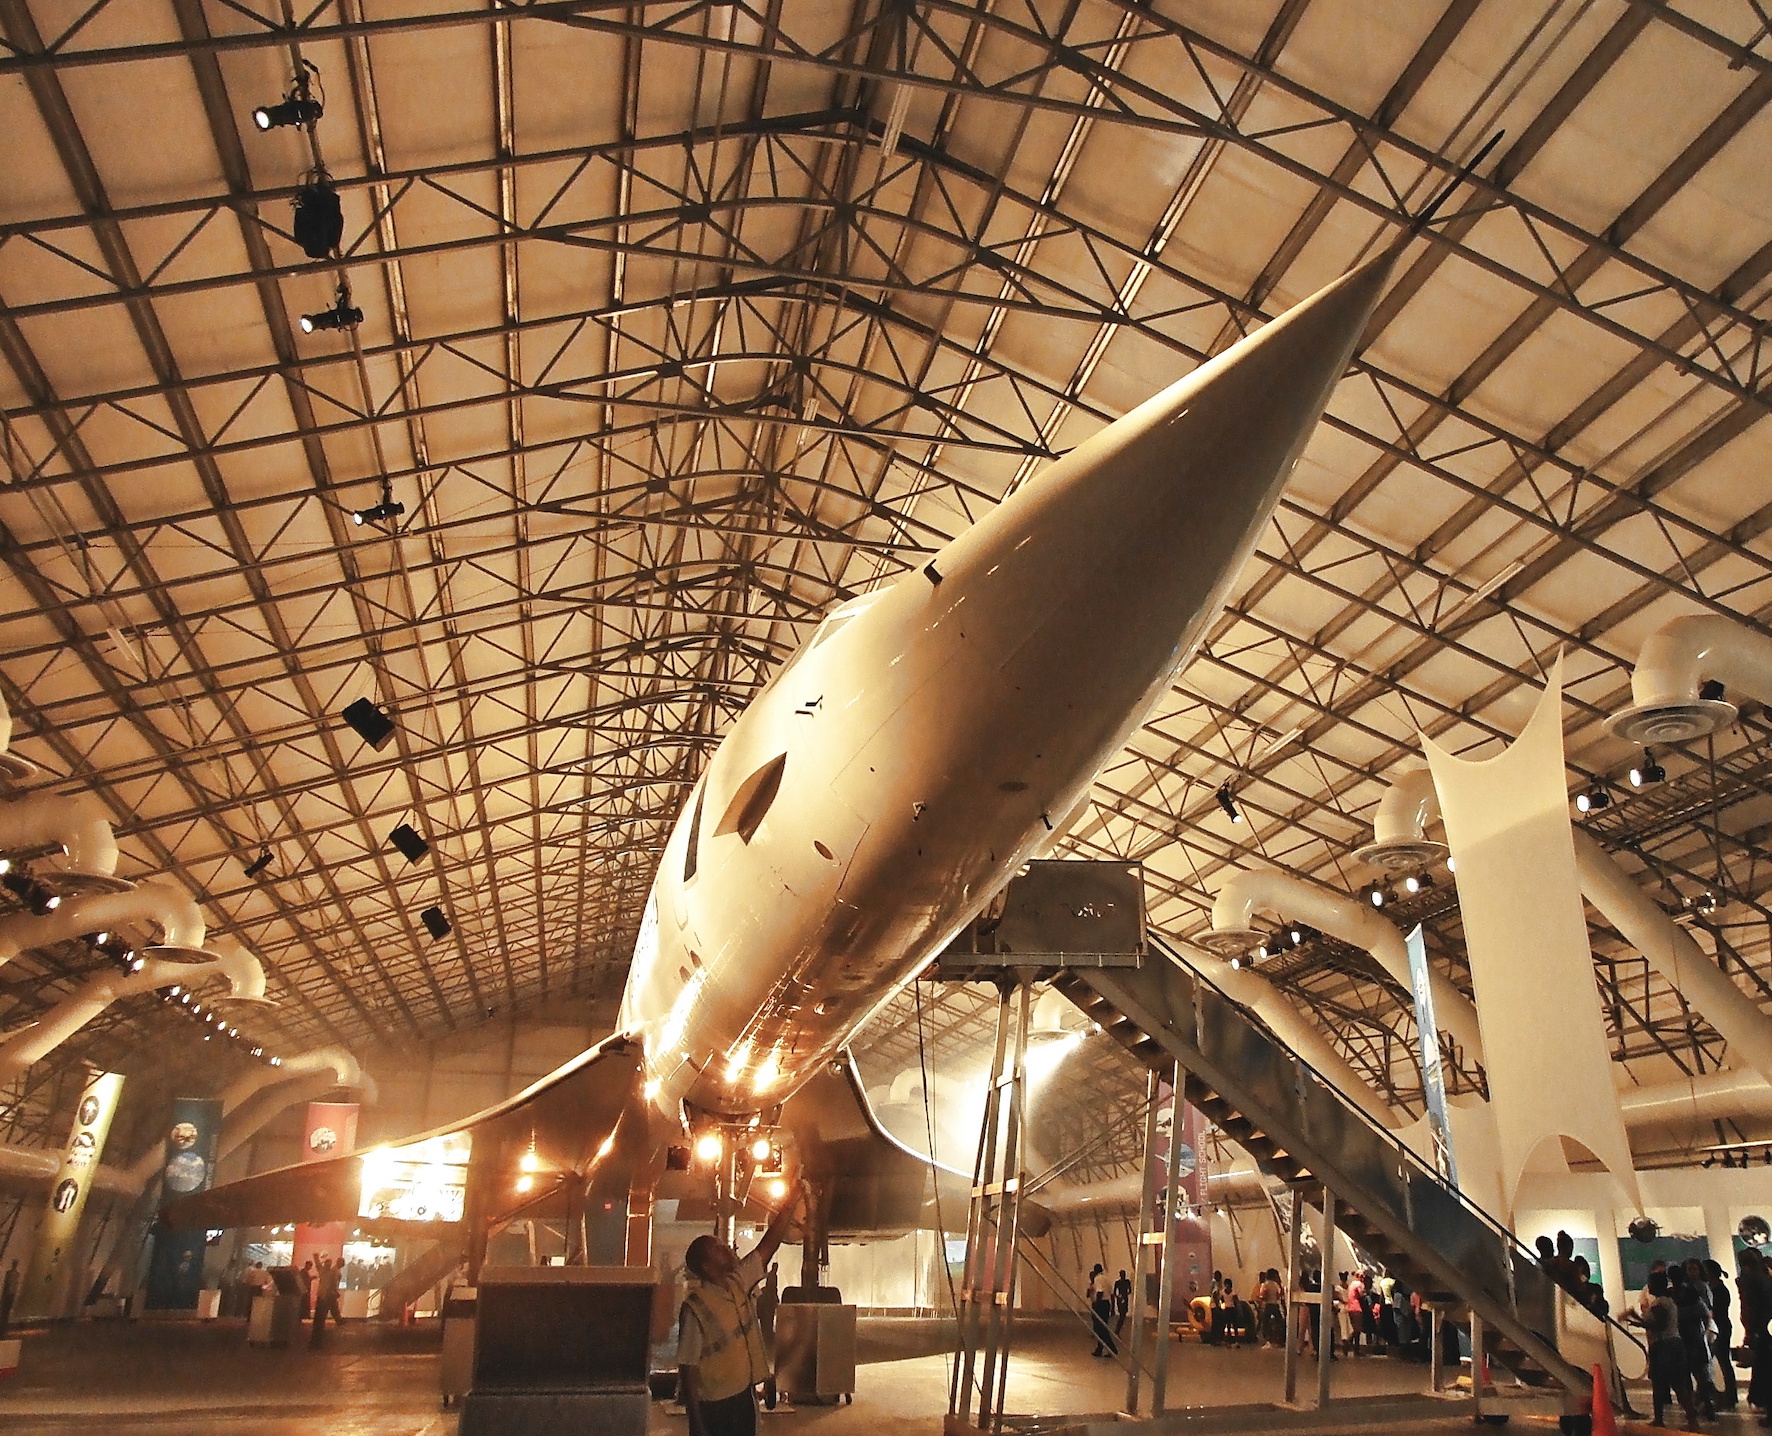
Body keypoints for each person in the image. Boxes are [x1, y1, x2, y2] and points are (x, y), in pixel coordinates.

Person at [679, 1191, 802, 1436]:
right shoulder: (696, 1308)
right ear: (707, 1266)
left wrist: (788, 1206)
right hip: (714, 1406)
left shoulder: (738, 1284)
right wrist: (697, 1422)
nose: (726, 1248)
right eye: (718, 1248)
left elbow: (767, 1246)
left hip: (743, 1397)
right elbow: (688, 1369)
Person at [1671, 1264, 1719, 1419]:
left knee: (1687, 1375)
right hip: (1695, 1336)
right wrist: (1703, 1331)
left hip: (1684, 1336)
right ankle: (1706, 1406)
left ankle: (1693, 1408)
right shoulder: (1690, 1292)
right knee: (1700, 1373)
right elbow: (1705, 1313)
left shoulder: (1673, 1294)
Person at [1647, 1300, 1701, 1431]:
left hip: (1663, 1345)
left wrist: (1636, 1320)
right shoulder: (1671, 1303)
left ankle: (1660, 1418)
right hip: (1674, 1344)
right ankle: (1690, 1418)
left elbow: (1659, 1325)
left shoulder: (1659, 1304)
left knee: (1662, 1383)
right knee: (1677, 1383)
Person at [1737, 1247, 1772, 1422]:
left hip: (1761, 1330)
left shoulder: (1751, 1280)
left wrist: (1751, 1332)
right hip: (1766, 1328)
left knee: (1764, 1370)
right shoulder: (1765, 1278)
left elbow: (1751, 1308)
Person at [1704, 1259, 1738, 1411]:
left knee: (1723, 1361)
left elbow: (1716, 1311)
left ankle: (1729, 1396)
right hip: (1721, 1325)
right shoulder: (1718, 1289)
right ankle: (1729, 1395)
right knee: (1723, 1361)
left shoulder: (1718, 1290)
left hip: (1721, 1327)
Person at [309, 1254, 343, 1348]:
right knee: (322, 1316)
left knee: (320, 1317)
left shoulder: (326, 1271)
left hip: (323, 1296)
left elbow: (318, 1264)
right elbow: (333, 1284)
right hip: (325, 1296)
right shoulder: (330, 1272)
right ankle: (317, 1340)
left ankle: (315, 1341)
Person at [1087, 1264, 1116, 1357]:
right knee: (1103, 1327)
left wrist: (1096, 1304)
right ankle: (1100, 1349)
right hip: (1107, 1304)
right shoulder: (1107, 1278)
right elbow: (1111, 1294)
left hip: (1100, 1304)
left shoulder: (1098, 1279)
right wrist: (1112, 1308)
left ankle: (1112, 1348)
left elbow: (1100, 1292)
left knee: (1100, 1328)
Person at [0, 1258, 18, 1337]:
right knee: (4, 1312)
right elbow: (7, 1285)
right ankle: (2, 1328)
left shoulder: (16, 1274)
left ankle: (3, 1328)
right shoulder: (11, 1274)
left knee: (6, 1312)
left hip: (10, 1295)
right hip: (8, 1295)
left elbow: (14, 1285)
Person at [1112, 1268, 1132, 1337]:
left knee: (1123, 1315)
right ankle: (1117, 1330)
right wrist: (1119, 1296)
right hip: (1121, 1299)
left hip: (1124, 1298)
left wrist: (1124, 1295)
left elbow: (1130, 1290)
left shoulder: (1127, 1282)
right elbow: (1114, 1292)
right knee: (1122, 1315)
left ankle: (1117, 1330)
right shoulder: (1118, 1282)